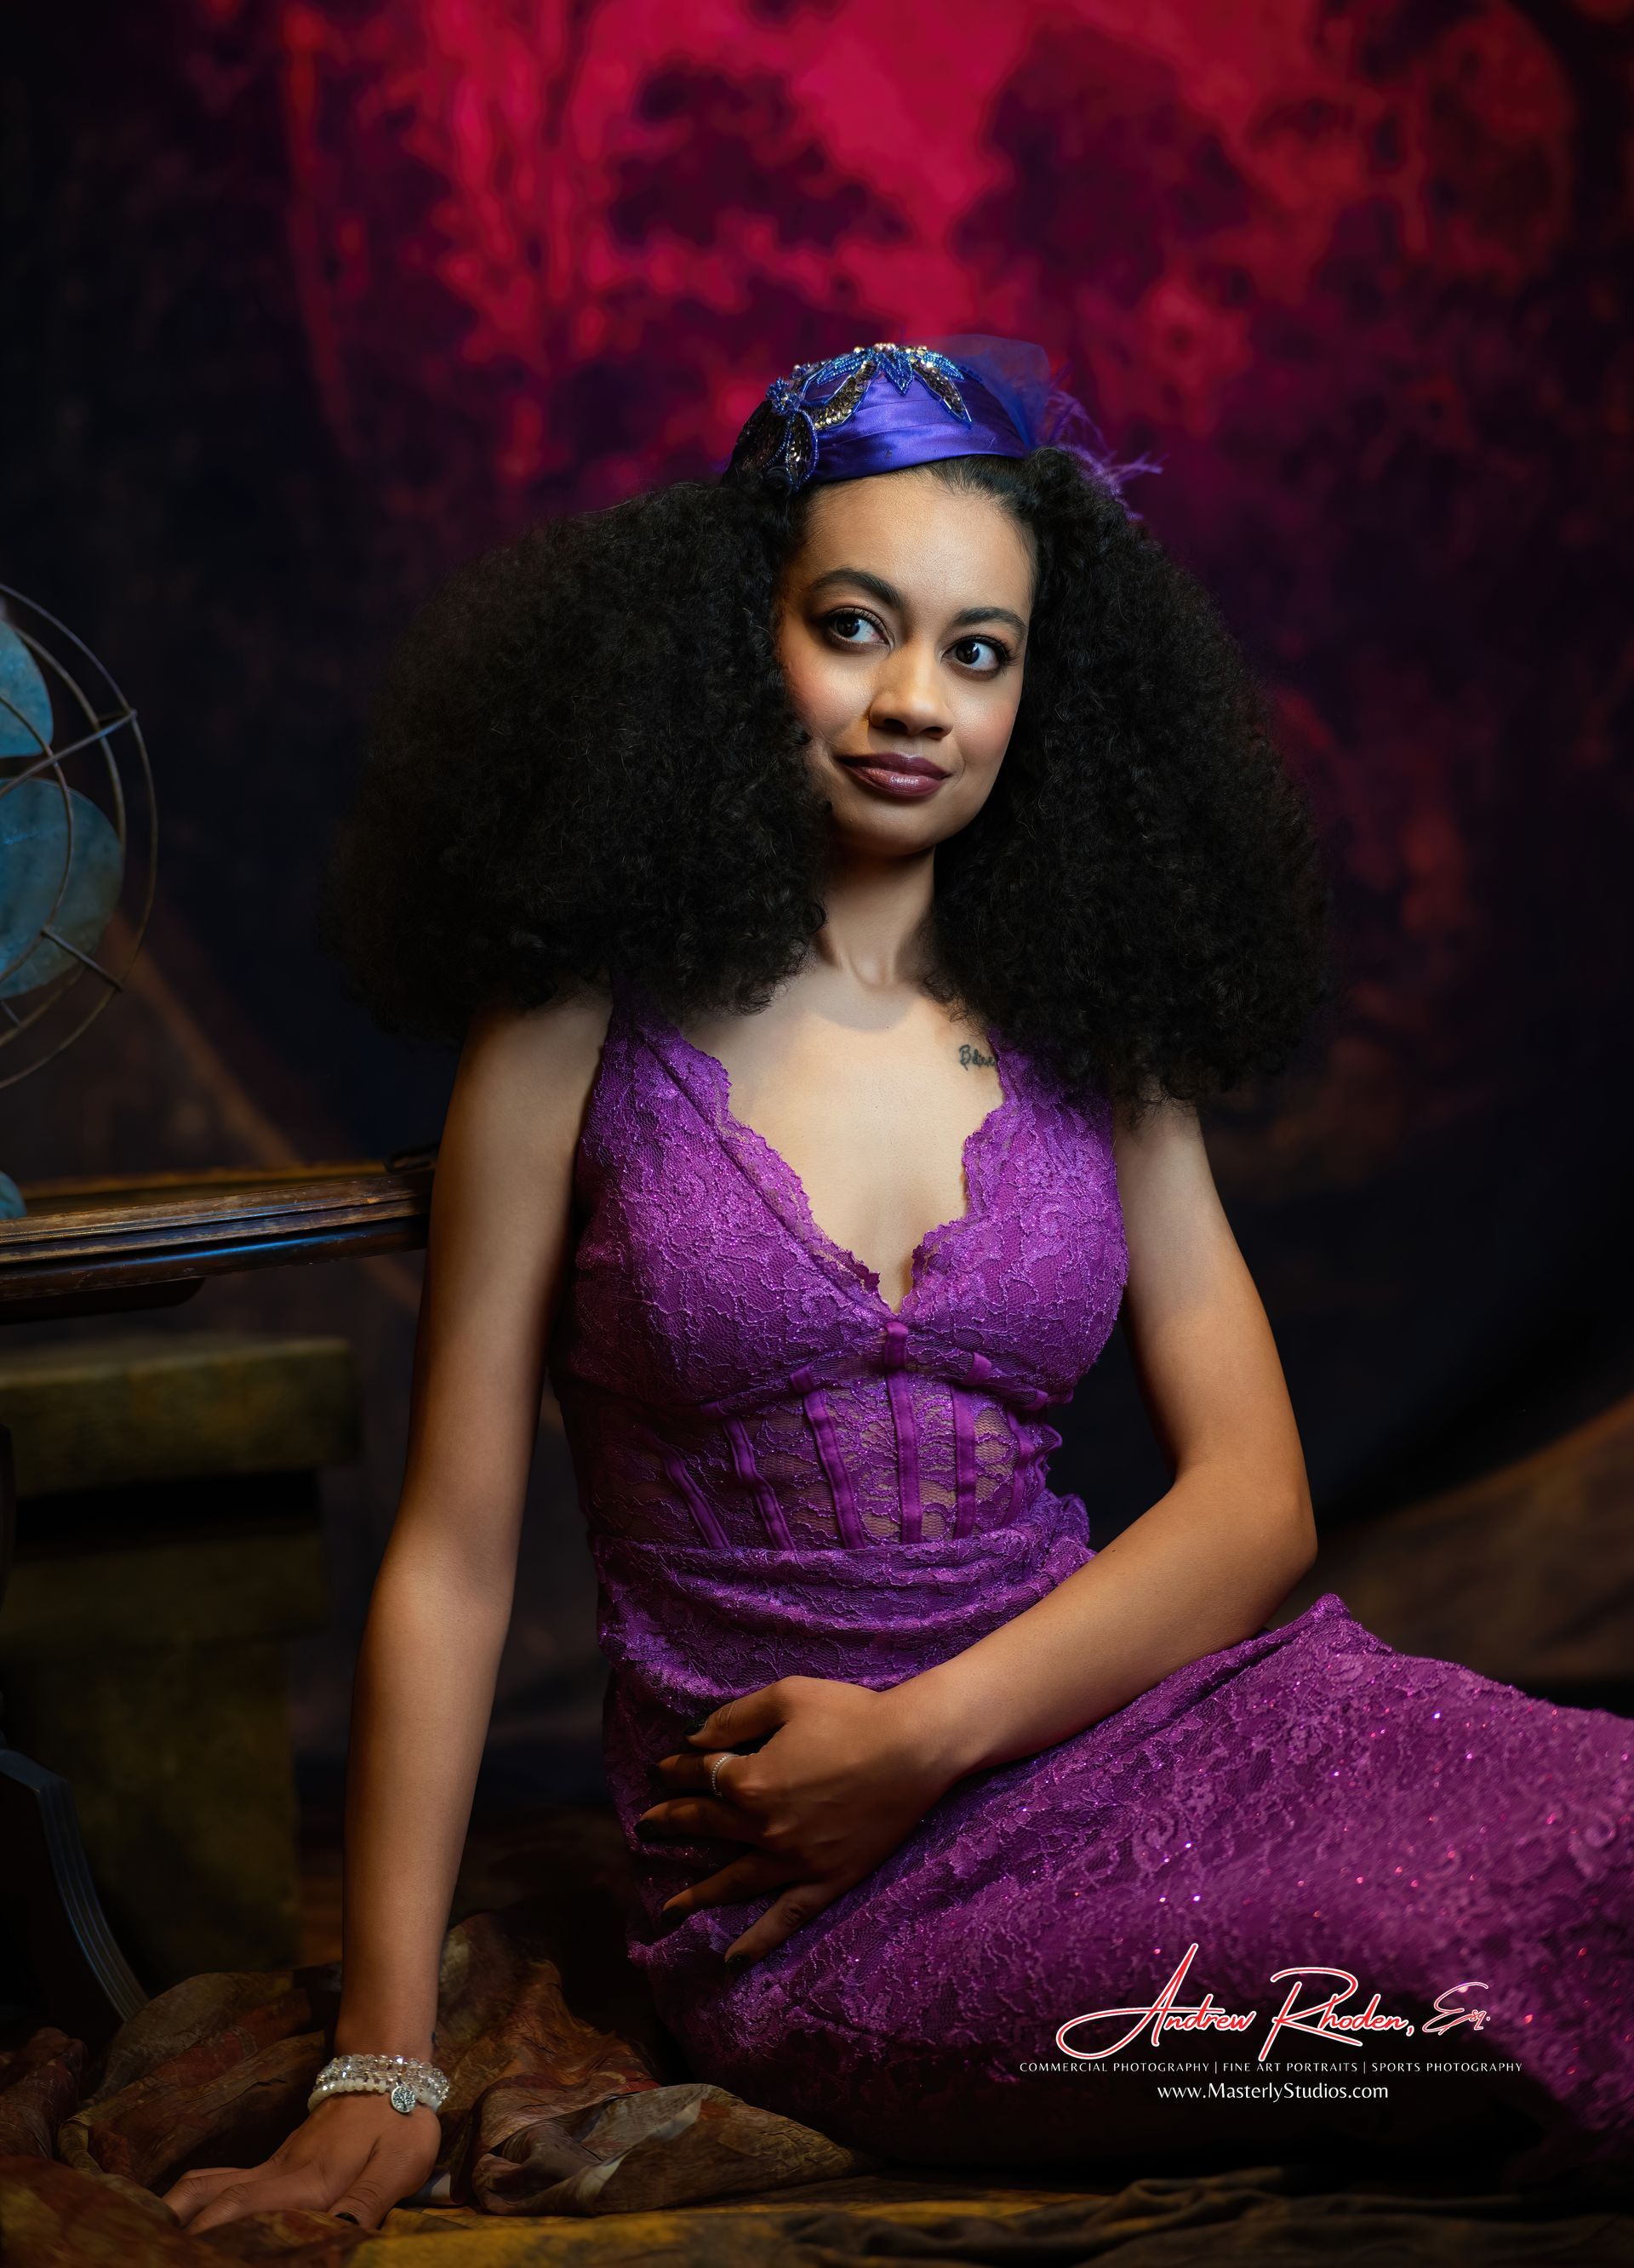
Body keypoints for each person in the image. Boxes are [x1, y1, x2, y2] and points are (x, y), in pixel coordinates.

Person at [163, 339, 1633, 2232]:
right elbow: (450, 1558)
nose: (913, 700)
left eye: (979, 650)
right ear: (732, 635)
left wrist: (928, 1732)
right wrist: (381, 2062)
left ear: (1042, 694)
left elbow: (1256, 1502)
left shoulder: (1089, 1027)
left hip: (1159, 1729)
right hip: (811, 1901)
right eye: (855, 624)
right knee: (1428, 1990)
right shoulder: (570, 1031)